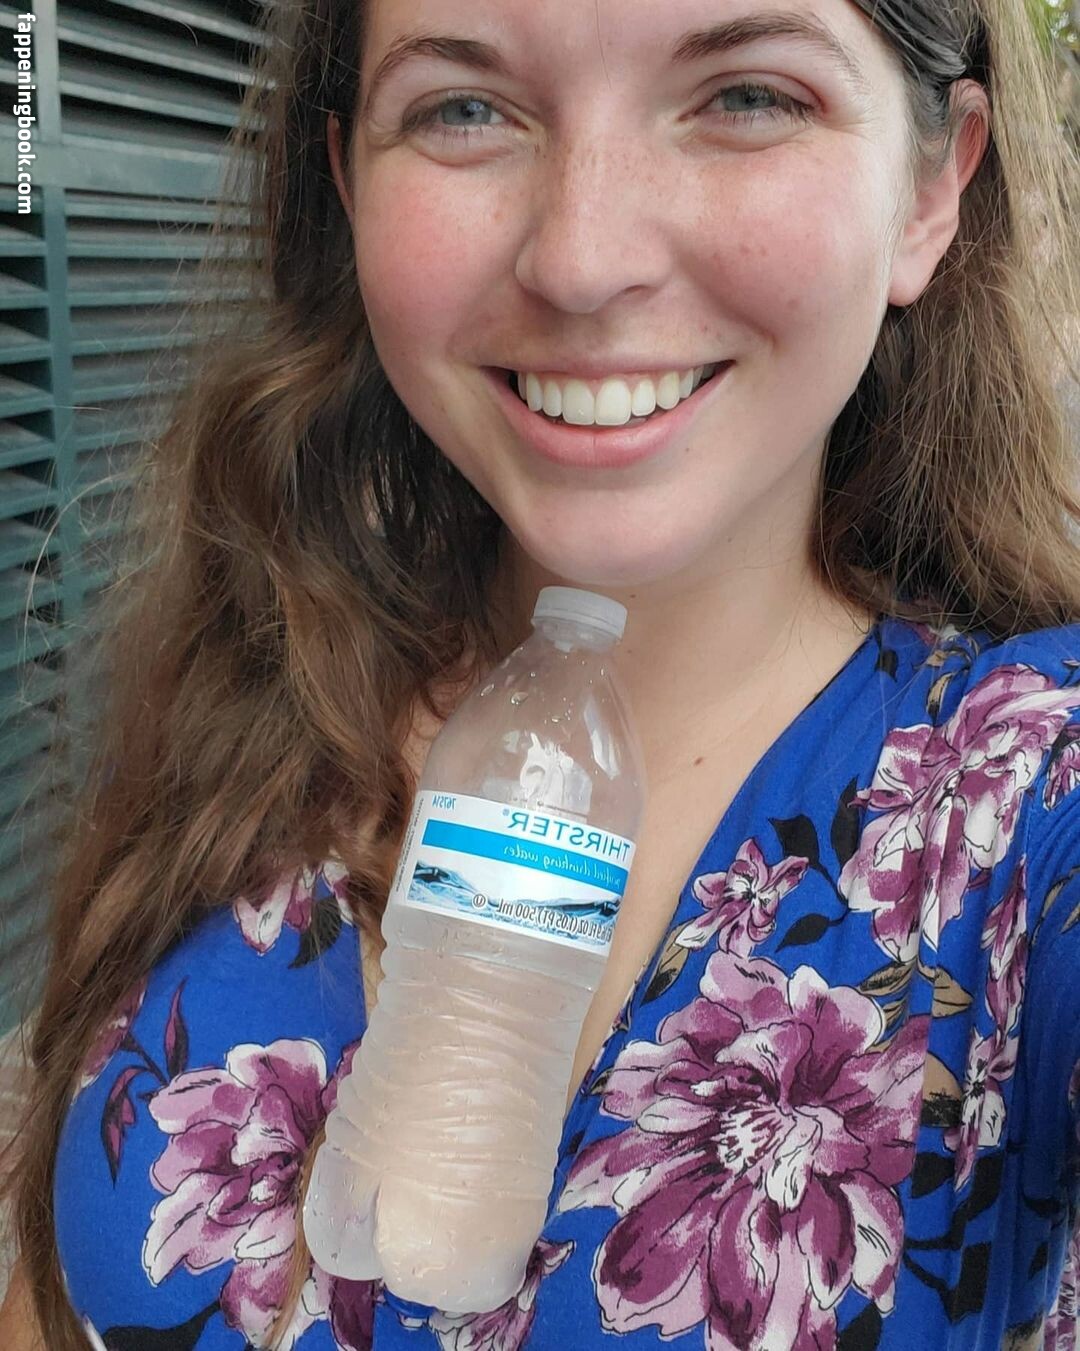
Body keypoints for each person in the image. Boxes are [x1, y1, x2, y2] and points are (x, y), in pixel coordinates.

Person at [1, 0, 1078, 1345]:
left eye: (746, 97)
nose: (581, 259)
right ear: (350, 185)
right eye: (463, 108)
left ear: (930, 189)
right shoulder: (264, 695)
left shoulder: (1031, 797)